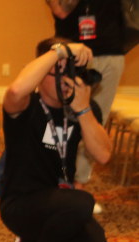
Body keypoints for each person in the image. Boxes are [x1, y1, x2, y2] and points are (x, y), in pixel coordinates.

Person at [0, 38, 114, 242]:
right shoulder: (26, 105)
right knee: (82, 201)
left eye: (70, 70)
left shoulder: (82, 107)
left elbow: (104, 154)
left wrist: (83, 110)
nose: (66, 79)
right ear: (39, 73)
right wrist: (60, 51)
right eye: (58, 71)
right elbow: (15, 90)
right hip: (20, 204)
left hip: (62, 208)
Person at [46, 0, 125, 193]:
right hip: (74, 52)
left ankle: (79, 185)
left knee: (94, 122)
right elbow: (61, 10)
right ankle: (54, 178)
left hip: (111, 53)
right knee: (63, 120)